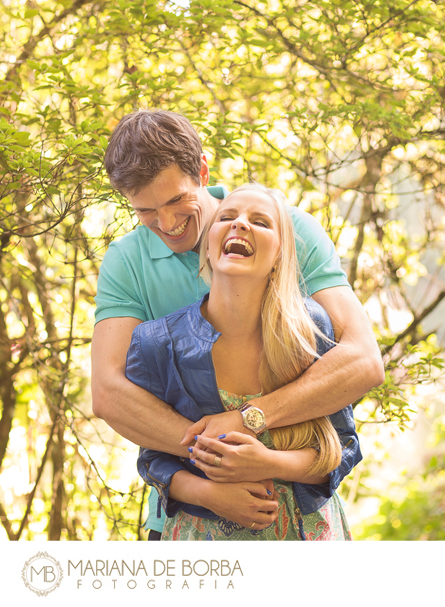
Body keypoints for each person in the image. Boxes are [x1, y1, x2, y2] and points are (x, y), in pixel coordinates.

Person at [91, 109, 384, 539]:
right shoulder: (127, 263)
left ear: (203, 172)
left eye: (177, 202)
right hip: (187, 512)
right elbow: (110, 394)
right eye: (147, 212)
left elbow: (361, 361)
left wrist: (251, 423)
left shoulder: (288, 229)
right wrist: (215, 469)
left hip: (301, 512)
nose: (168, 225)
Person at [129, 184, 357, 539]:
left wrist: (267, 463)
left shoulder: (311, 330)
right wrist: (208, 493)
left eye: (261, 222)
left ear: (281, 253)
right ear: (207, 244)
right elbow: (152, 458)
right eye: (227, 217)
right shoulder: (158, 343)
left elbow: (340, 450)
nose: (240, 225)